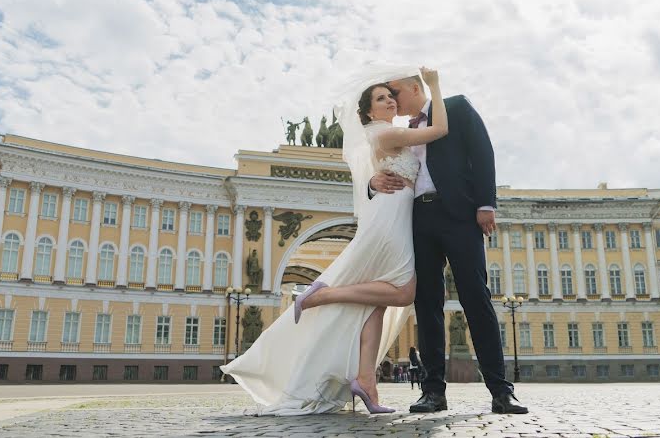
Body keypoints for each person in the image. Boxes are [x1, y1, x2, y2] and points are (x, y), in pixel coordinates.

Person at [221, 67, 449, 415]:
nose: (389, 100)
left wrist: (373, 181)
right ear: (369, 112)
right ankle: (323, 294)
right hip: (390, 221)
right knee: (404, 292)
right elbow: (441, 130)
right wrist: (433, 84)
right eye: (381, 98)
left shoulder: (382, 134)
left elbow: (372, 177)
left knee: (375, 303)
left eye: (391, 96)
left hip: (392, 216)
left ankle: (365, 381)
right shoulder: (387, 135)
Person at [369, 73, 528, 415]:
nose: (392, 99)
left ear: (415, 87)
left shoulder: (454, 107)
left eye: (394, 92)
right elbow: (377, 167)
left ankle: (501, 391)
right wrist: (374, 179)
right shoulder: (402, 131)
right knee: (427, 304)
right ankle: (433, 392)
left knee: (476, 298)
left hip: (459, 215)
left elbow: (482, 151)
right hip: (419, 218)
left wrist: (486, 204)